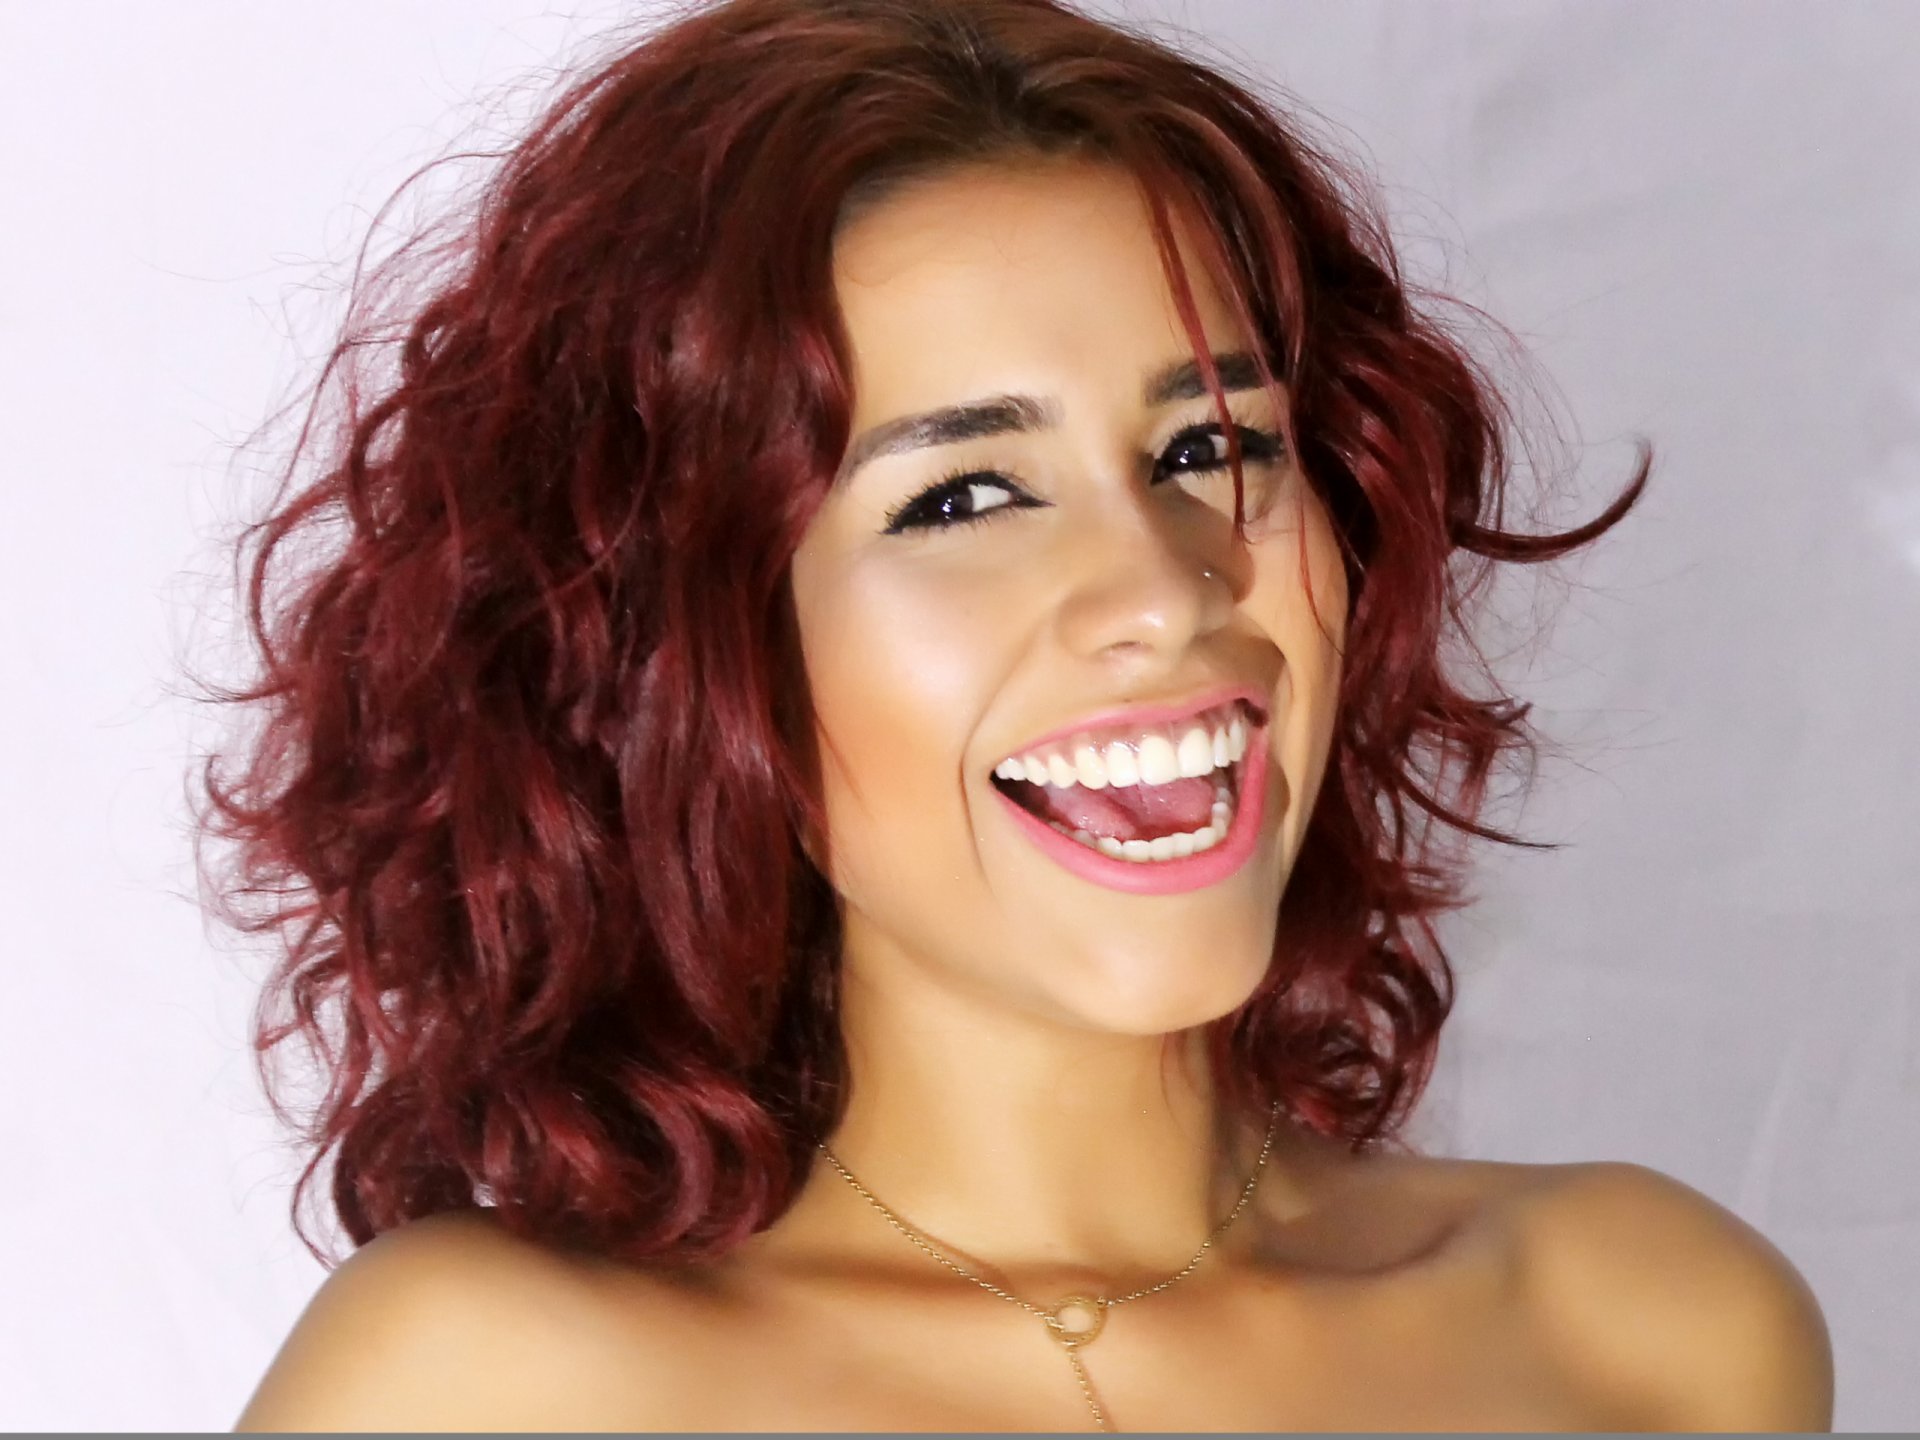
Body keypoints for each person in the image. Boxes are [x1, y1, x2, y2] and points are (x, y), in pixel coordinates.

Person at [200, 0, 1832, 1430]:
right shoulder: (487, 1388)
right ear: (680, 652)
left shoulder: (1650, 1333)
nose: (1167, 590)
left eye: (1213, 450)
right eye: (966, 496)